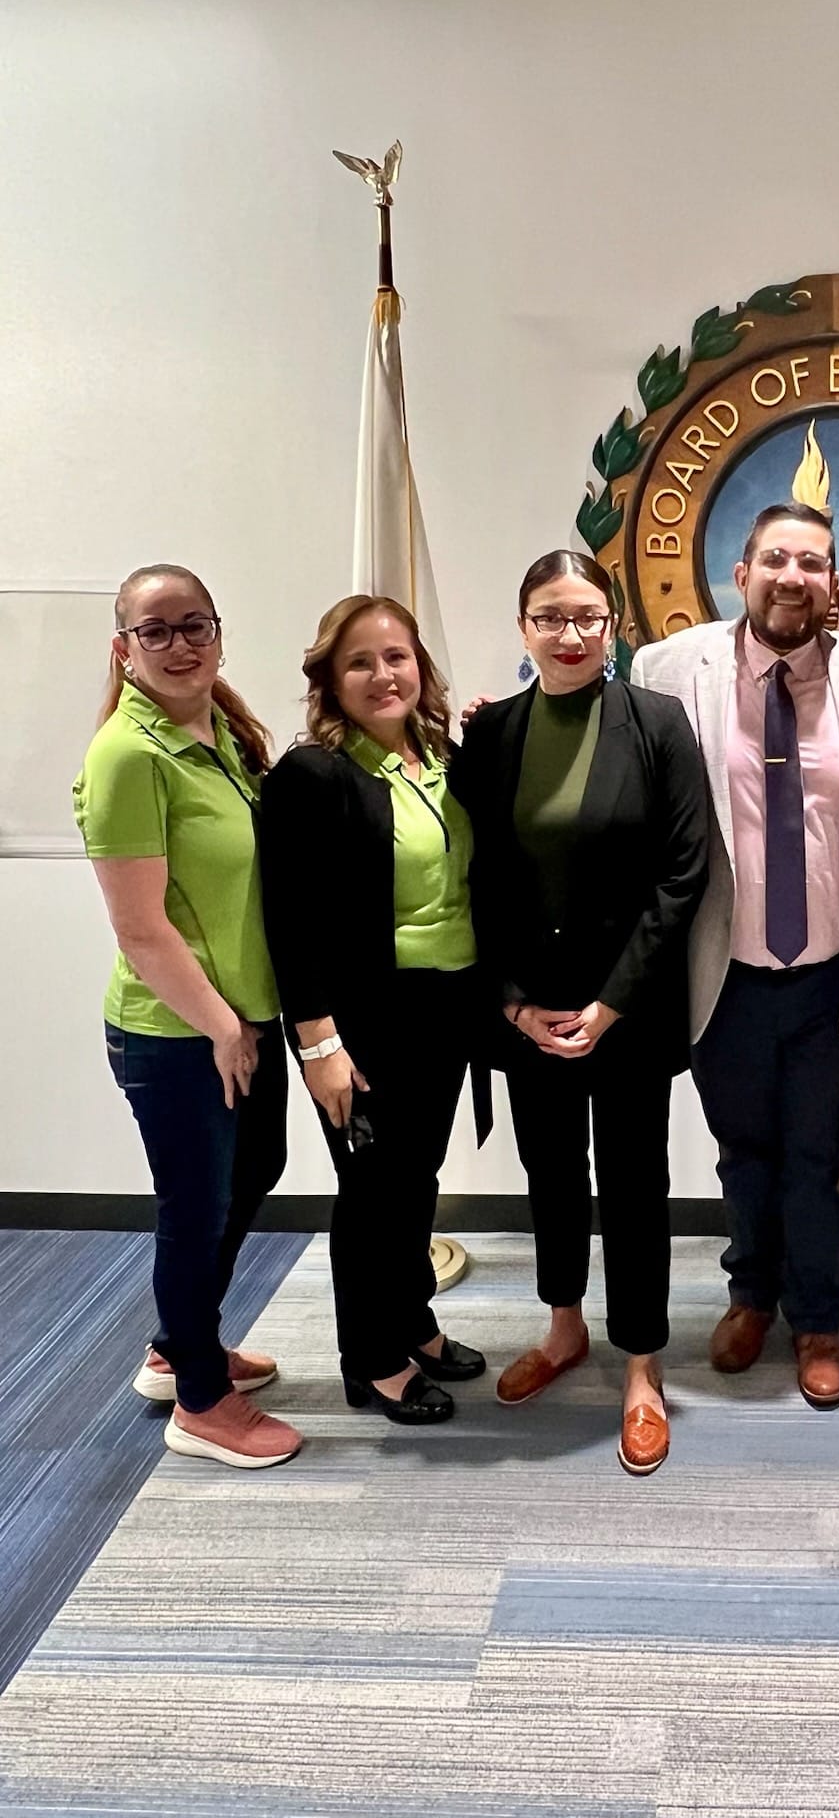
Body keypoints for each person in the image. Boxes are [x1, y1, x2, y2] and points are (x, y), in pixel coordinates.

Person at [631, 504, 839, 1410]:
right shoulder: (666, 669)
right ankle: (750, 1295)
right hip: (726, 968)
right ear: (740, 574)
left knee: (820, 1155)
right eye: (775, 559)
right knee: (743, 1148)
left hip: (833, 970)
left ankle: (818, 1317)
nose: (794, 576)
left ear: (834, 583)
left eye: (813, 563)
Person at [451, 551, 708, 1475]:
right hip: (528, 1010)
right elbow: (470, 876)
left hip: (625, 1010)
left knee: (635, 1181)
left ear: (614, 627)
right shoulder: (490, 736)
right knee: (550, 1171)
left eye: (588, 618)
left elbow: (686, 873)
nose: (570, 635)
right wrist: (513, 1003)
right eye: (551, 618)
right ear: (524, 627)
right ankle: (563, 1330)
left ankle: (642, 1366)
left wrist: (609, 1004)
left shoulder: (659, 723)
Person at [73, 564, 301, 1470]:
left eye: (194, 625)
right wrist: (222, 1028)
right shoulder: (126, 755)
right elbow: (141, 930)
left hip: (243, 1016)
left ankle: (181, 1343)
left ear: (218, 632)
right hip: (180, 1031)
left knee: (258, 1169)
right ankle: (201, 1400)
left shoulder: (221, 734)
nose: (179, 645)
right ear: (123, 649)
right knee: (196, 1209)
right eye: (155, 631)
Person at [260, 596, 486, 1425]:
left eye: (397, 656)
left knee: (415, 1178)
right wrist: (318, 1042)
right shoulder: (312, 775)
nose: (383, 674)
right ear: (329, 678)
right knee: (371, 1191)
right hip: (364, 1025)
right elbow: (288, 921)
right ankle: (372, 1357)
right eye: (360, 661)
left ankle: (414, 1321)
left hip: (446, 1008)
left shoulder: (440, 756)